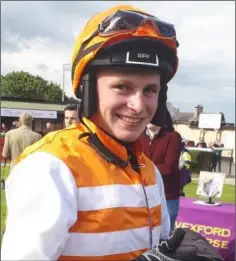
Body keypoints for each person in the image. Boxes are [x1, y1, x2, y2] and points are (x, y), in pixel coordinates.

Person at [1, 5, 221, 261]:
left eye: (150, 90)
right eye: (122, 87)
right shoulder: (50, 168)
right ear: (88, 90)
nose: (138, 105)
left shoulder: (147, 169)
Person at [140, 118, 182, 232]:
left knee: (165, 233)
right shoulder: (140, 136)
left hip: (167, 193)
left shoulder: (172, 137)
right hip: (143, 193)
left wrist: (141, 168)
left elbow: (169, 167)